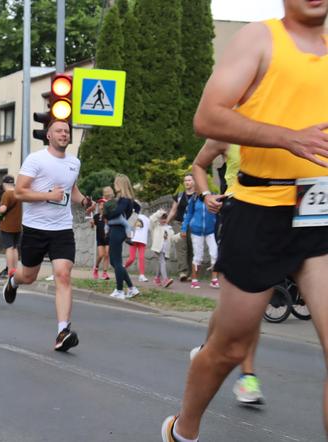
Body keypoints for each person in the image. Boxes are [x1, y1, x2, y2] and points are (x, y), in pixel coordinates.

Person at [162, 3, 328, 441]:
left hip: (319, 208)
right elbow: (207, 118)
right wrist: (288, 138)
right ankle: (184, 428)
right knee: (230, 348)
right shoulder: (260, 38)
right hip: (258, 209)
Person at [1, 119, 95, 352]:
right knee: (29, 276)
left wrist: (83, 201)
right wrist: (48, 195)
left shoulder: (74, 162)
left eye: (67, 131)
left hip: (62, 229)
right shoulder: (36, 159)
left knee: (63, 275)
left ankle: (63, 331)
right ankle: (13, 280)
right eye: (58, 131)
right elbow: (20, 192)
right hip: (35, 228)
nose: (64, 134)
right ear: (48, 136)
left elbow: (71, 189)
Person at [189, 139, 265, 406]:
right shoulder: (228, 132)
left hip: (276, 220)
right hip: (237, 214)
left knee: (238, 305)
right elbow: (198, 165)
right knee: (249, 301)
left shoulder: (282, 124)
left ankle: (205, 349)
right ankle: (248, 377)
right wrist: (206, 195)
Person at [106, 174, 141, 300]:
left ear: (120, 184)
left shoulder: (124, 200)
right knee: (114, 261)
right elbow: (138, 208)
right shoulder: (126, 199)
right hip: (118, 230)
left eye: (116, 183)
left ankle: (120, 290)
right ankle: (132, 288)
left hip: (118, 231)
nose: (114, 185)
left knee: (116, 262)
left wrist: (107, 213)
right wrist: (130, 223)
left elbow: (117, 212)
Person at [180, 191, 219, 289]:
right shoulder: (193, 199)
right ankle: (194, 280)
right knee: (198, 256)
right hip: (196, 231)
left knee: (215, 254)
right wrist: (184, 228)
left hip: (210, 231)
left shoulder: (212, 196)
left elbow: (217, 211)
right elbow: (188, 214)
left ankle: (214, 280)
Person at [166, 174, 196, 281]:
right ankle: (183, 272)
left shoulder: (198, 195)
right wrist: (166, 222)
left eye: (189, 180)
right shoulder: (179, 195)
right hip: (179, 224)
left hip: (193, 225)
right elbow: (174, 210)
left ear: (194, 182)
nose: (187, 182)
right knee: (181, 247)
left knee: (192, 249)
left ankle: (192, 274)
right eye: (185, 180)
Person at [0, 174, 22, 279]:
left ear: (4, 184)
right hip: (18, 225)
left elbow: (3, 208)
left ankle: (10, 271)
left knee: (9, 248)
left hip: (7, 226)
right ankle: (15, 270)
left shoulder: (7, 194)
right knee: (15, 248)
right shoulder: (18, 194)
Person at [149, 209, 178, 288]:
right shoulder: (155, 226)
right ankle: (165, 280)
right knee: (162, 262)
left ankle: (157, 278)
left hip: (165, 249)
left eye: (165, 218)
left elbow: (172, 238)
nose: (163, 220)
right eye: (162, 218)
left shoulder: (169, 228)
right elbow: (151, 219)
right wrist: (160, 213)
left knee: (160, 262)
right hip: (158, 247)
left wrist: (179, 236)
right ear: (159, 219)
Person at [125, 211, 150, 282]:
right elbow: (128, 227)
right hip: (133, 240)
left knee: (141, 258)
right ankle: (123, 268)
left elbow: (150, 227)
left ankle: (142, 275)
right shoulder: (132, 216)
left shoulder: (146, 218)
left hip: (142, 241)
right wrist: (129, 237)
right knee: (131, 258)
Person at [90, 198, 110, 280]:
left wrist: (107, 221)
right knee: (101, 255)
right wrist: (91, 223)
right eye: (100, 204)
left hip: (108, 237)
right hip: (100, 238)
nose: (101, 205)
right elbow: (92, 227)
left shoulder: (108, 215)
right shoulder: (96, 216)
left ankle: (105, 273)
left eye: (103, 204)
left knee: (106, 255)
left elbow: (110, 225)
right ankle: (96, 268)